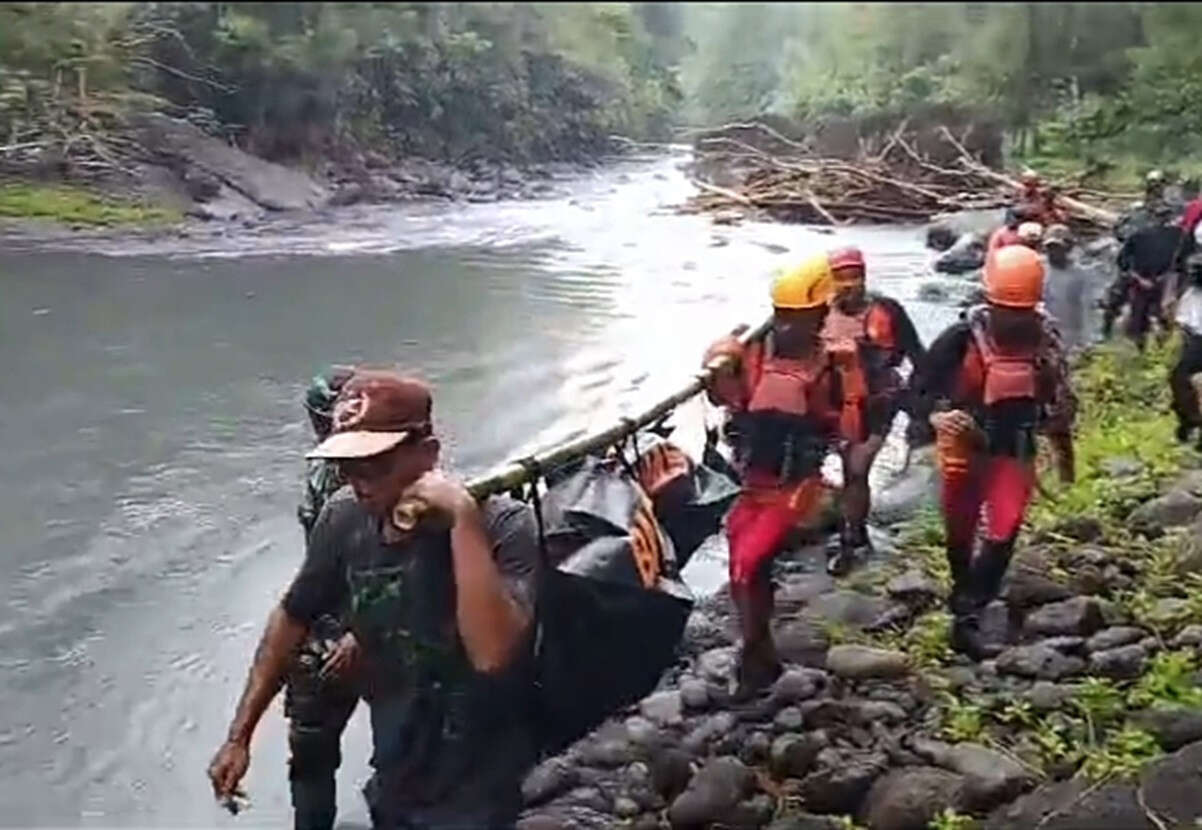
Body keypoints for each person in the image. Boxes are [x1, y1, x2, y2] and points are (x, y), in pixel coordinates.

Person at [209, 370, 541, 829]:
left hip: (479, 778)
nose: (359, 482)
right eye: (347, 468)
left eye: (376, 466)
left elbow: (491, 654)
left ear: (427, 455)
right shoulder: (344, 517)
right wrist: (239, 736)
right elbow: (292, 616)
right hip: (397, 765)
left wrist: (462, 518)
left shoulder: (504, 525)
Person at [910, 246, 1077, 659]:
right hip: (964, 447)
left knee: (1005, 529)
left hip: (1014, 449)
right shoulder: (959, 340)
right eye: (1006, 309)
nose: (1015, 319)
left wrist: (1064, 452)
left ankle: (969, 615)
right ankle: (963, 591)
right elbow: (915, 392)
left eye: (1023, 311)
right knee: (960, 534)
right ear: (988, 302)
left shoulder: (1046, 341)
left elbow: (1059, 401)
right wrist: (934, 418)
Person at [703, 253, 849, 697]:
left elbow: (850, 428)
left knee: (748, 565)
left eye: (799, 317)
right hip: (753, 484)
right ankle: (762, 655)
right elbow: (722, 400)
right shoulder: (751, 354)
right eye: (782, 317)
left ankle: (750, 659)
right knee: (746, 563)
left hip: (798, 486)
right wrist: (717, 358)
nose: (787, 327)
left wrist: (853, 381)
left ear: (821, 315)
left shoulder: (833, 364)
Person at [286, 366, 362, 830]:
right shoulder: (325, 468)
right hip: (346, 621)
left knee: (314, 750)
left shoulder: (335, 473)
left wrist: (360, 630)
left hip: (356, 626)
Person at [820, 245, 926, 575]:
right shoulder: (818, 312)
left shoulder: (888, 311)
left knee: (857, 467)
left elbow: (918, 355)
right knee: (843, 463)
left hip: (880, 400)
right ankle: (853, 528)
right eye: (841, 279)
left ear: (864, 277)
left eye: (855, 277)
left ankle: (852, 539)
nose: (849, 285)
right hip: (834, 402)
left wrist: (921, 402)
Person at [1105, 201, 1183, 350]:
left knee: (1143, 316)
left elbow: (1122, 261)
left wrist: (1138, 277)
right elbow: (1123, 261)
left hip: (1156, 282)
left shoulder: (1175, 235)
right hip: (1153, 281)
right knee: (1141, 316)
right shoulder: (1176, 235)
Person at [1041, 225, 1095, 352]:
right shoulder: (1038, 269)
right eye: (1050, 248)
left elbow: (1087, 307)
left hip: (1069, 334)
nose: (1053, 252)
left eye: (1057, 248)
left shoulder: (1080, 274)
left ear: (1068, 249)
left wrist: (1087, 339)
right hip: (1043, 333)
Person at [1168, 254, 1202, 448]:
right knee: (1177, 378)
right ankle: (1189, 419)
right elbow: (1184, 324)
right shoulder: (1191, 294)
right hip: (1195, 342)